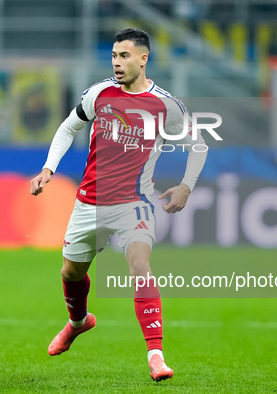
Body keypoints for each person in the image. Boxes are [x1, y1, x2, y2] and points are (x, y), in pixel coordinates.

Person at [30, 28, 207, 382]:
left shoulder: (165, 105)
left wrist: (186, 187)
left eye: (124, 56)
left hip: (134, 204)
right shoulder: (99, 93)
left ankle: (156, 355)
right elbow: (68, 128)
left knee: (140, 266)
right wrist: (49, 168)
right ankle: (78, 323)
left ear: (143, 58)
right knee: (70, 273)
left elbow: (198, 145)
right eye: (113, 55)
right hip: (89, 202)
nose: (116, 62)